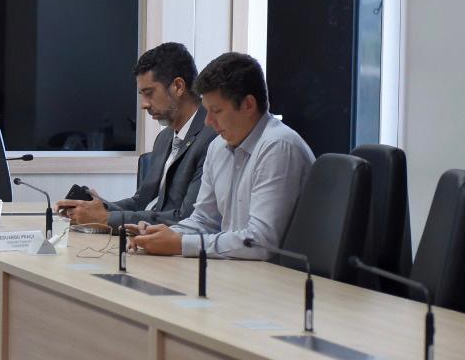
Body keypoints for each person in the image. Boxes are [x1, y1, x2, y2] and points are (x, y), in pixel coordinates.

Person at [130, 52, 313, 259]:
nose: (207, 122)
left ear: (248, 105)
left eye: (216, 111)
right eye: (206, 111)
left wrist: (180, 244)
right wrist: (162, 235)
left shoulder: (278, 146)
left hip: (275, 274)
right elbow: (204, 221)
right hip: (237, 268)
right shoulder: (218, 146)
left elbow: (260, 242)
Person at [56, 42, 215, 228]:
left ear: (178, 86)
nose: (144, 104)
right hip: (148, 238)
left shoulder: (212, 138)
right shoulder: (164, 138)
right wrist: (99, 207)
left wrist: (105, 218)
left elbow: (187, 218)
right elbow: (141, 203)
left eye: (149, 93)